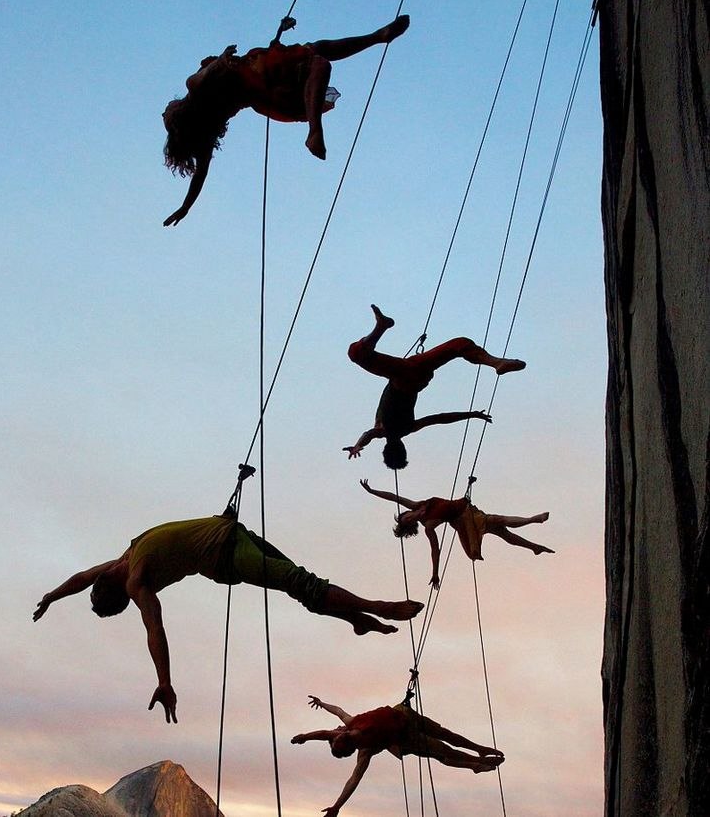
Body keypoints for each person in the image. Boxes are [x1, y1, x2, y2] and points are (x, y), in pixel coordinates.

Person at [32, 512, 423, 722]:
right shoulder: (134, 578)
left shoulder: (123, 561)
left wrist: (52, 595)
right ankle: (376, 607)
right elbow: (155, 628)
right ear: (116, 592)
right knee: (299, 581)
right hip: (228, 556)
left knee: (300, 585)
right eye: (100, 591)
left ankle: (352, 619)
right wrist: (164, 681)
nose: (95, 581)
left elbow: (80, 578)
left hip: (234, 534)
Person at [162, 15, 410, 226]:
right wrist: (221, 60)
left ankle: (377, 38)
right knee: (316, 56)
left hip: (261, 91)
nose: (164, 110)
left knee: (318, 58)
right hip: (257, 72)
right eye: (166, 114)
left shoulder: (206, 133)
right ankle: (375, 40)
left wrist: (186, 207)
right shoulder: (193, 87)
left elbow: (201, 175)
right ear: (179, 114)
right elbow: (209, 74)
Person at [344, 305, 525, 469]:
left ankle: (498, 364)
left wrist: (472, 414)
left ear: (403, 448)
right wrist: (359, 444)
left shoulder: (409, 428)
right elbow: (369, 434)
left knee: (458, 345)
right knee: (356, 353)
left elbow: (441, 418)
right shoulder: (383, 430)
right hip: (404, 375)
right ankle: (495, 362)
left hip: (419, 377)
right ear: (385, 449)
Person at [291, 695, 503, 815]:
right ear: (344, 741)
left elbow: (333, 715)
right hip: (406, 736)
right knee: (445, 751)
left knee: (446, 737)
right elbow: (353, 780)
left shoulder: (350, 724)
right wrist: (337, 806)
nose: (334, 732)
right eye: (335, 736)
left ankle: (479, 752)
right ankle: (476, 762)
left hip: (404, 715)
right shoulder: (364, 750)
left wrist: (305, 733)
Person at [359, 478, 553, 588]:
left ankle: (533, 527)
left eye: (405, 517)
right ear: (411, 525)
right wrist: (435, 574)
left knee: (500, 525)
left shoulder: (417, 504)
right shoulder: (427, 526)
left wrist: (371, 491)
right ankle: (533, 537)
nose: (408, 518)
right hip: (464, 524)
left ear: (407, 513)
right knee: (502, 530)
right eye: (407, 522)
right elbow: (435, 551)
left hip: (467, 510)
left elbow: (393, 497)